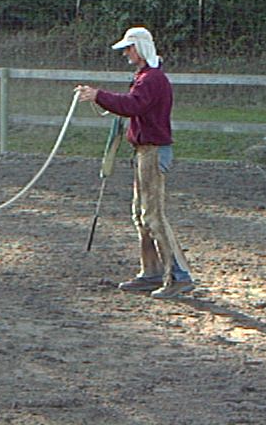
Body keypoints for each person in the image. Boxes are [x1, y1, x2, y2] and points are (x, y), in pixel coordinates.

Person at [75, 26, 195, 299]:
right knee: (141, 215)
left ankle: (178, 276)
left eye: (129, 48)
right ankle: (152, 271)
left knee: (153, 215)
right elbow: (132, 105)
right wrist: (103, 99)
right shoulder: (146, 77)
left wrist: (98, 96)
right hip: (145, 151)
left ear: (140, 48)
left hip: (152, 151)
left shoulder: (151, 79)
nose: (126, 53)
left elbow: (133, 105)